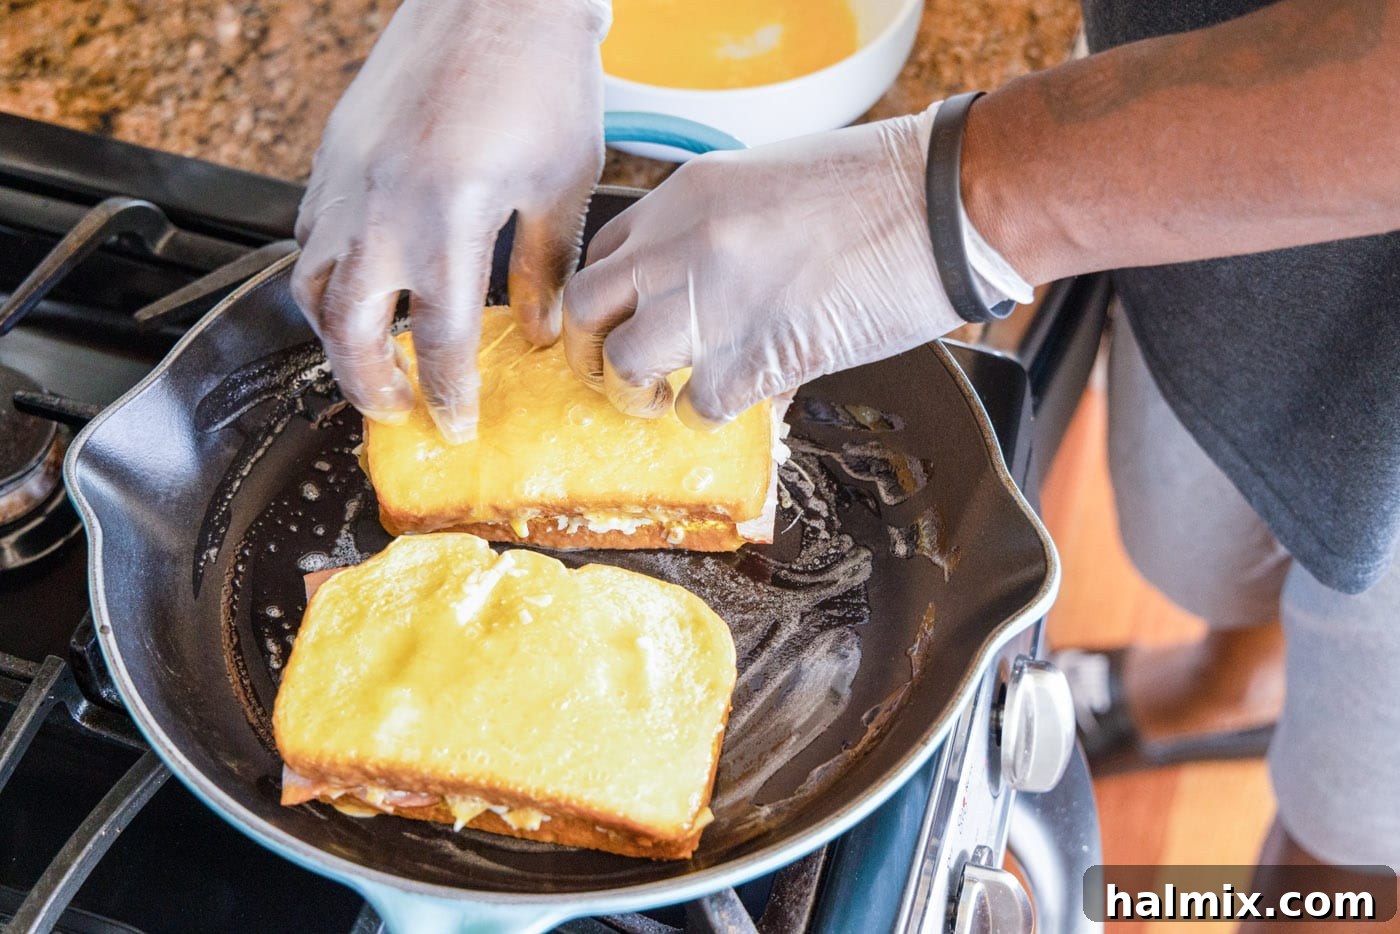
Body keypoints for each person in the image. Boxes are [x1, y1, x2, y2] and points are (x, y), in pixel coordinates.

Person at [290, 0, 1400, 904]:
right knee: (1213, 527)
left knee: (1361, 782)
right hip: (1213, 156)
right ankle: (1220, 677)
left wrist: (972, 195)